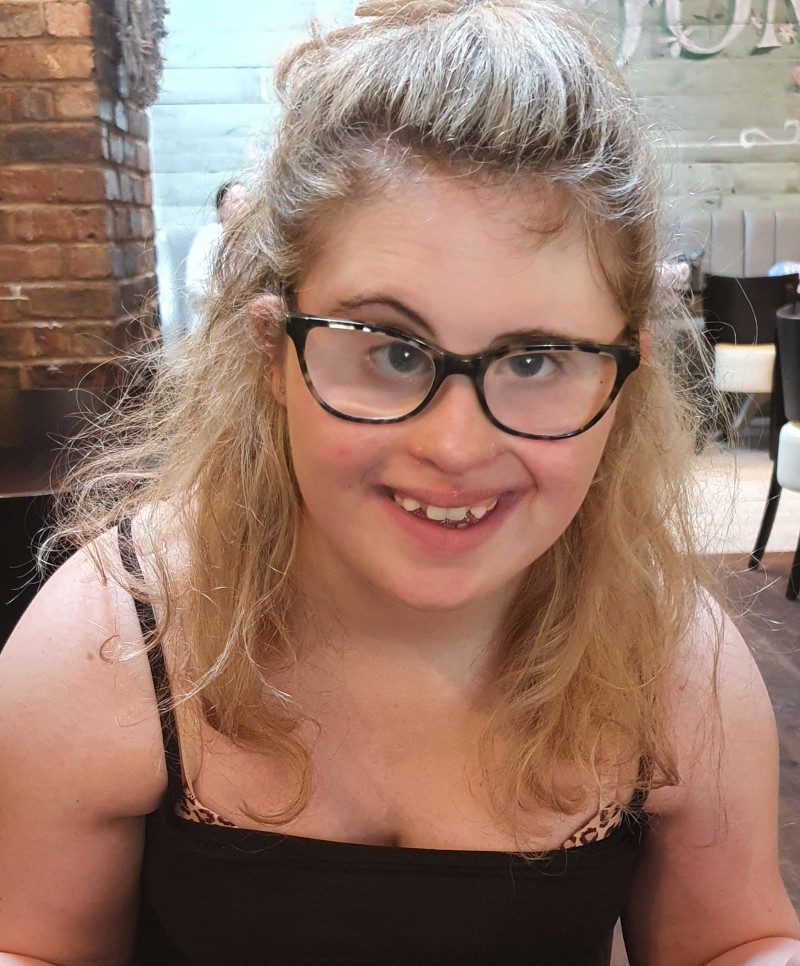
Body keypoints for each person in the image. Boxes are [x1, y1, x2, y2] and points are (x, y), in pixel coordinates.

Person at [1, 1, 799, 964]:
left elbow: (734, 937)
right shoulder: (113, 638)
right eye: (385, 349)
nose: (455, 447)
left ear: (623, 380)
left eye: (538, 358)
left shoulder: (669, 655)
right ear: (272, 357)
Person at [184, 179, 248, 327]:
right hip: (213, 322)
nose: (243, 206)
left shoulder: (254, 240)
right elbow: (195, 288)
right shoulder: (209, 236)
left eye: (247, 200)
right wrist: (229, 299)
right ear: (220, 210)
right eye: (235, 201)